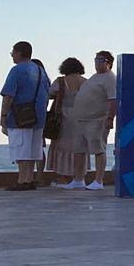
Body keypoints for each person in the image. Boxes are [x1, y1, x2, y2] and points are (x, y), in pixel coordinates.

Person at [0, 42, 50, 191]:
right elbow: (47, 91)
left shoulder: (16, 70)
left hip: (20, 116)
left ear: (19, 53)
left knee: (20, 148)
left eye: (13, 52)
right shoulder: (40, 70)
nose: (12, 55)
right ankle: (29, 179)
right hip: (38, 116)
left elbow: (8, 95)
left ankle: (22, 180)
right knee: (33, 149)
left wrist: (3, 116)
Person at [72, 51, 116, 190]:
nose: (97, 62)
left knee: (98, 149)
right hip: (81, 120)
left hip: (97, 120)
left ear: (108, 63)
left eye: (101, 60)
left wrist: (110, 118)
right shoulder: (94, 77)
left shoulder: (109, 78)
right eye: (96, 59)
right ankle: (78, 179)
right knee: (78, 150)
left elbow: (113, 100)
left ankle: (99, 180)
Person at [48, 58, 89, 189]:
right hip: (81, 117)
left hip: (63, 117)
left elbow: (49, 94)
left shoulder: (60, 81)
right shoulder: (85, 82)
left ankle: (64, 177)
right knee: (79, 147)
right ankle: (78, 176)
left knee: (62, 146)